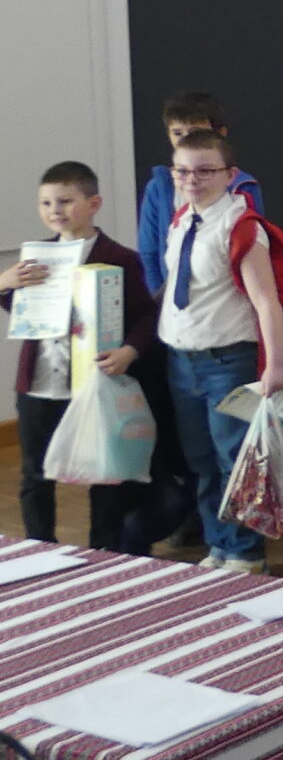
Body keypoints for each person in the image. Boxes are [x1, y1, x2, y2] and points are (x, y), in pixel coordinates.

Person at [0, 161, 158, 551]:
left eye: (66, 201)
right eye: (46, 203)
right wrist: (4, 284)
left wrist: (129, 351)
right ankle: (40, 547)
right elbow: (25, 313)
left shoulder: (119, 257)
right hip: (39, 384)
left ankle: (106, 548)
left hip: (94, 384)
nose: (55, 210)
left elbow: (147, 315)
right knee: (36, 474)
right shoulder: (36, 257)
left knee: (103, 472)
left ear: (94, 204)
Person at [160, 129, 283, 572]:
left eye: (204, 171)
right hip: (183, 360)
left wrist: (276, 365)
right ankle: (218, 542)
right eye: (182, 171)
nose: (192, 180)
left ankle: (245, 550)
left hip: (227, 361)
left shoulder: (240, 226)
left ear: (229, 174)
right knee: (200, 460)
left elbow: (266, 300)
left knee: (234, 457)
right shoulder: (182, 220)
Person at [139, 93, 263, 297]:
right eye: (177, 132)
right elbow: (148, 252)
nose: (186, 139)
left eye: (196, 132)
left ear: (220, 134)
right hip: (172, 299)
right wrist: (160, 297)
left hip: (226, 297)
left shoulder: (243, 186)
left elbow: (252, 251)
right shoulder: (159, 188)